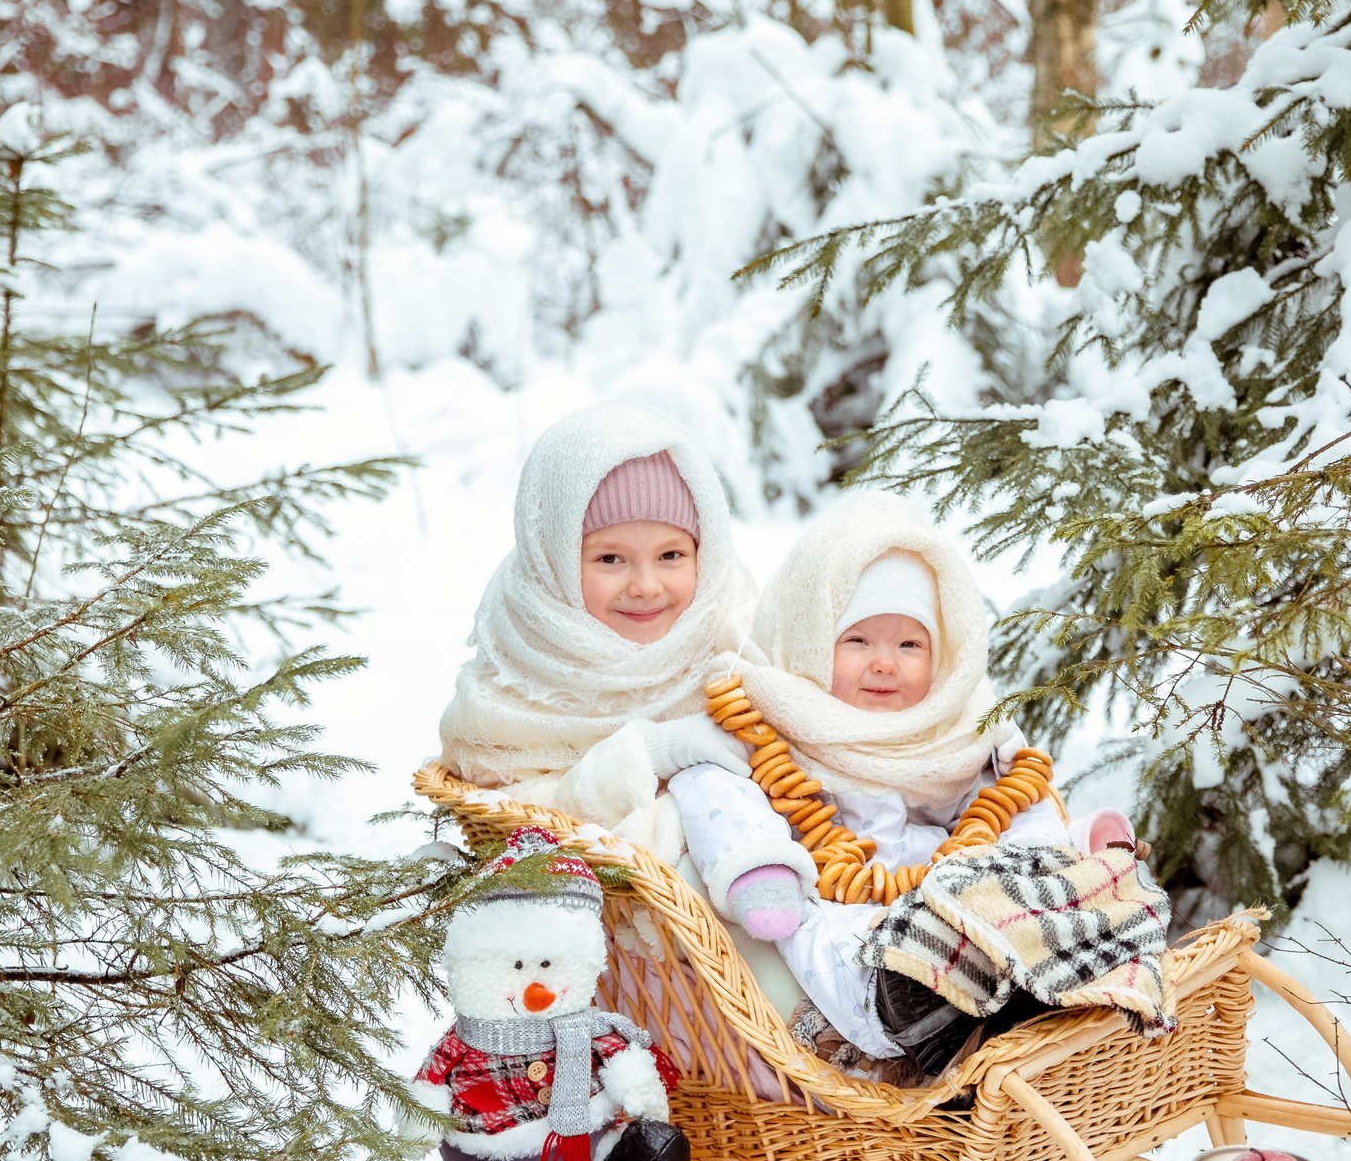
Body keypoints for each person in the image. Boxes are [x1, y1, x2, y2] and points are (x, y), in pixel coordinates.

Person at [671, 493, 1139, 1075]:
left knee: (1014, 896)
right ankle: (924, 1015)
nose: (886, 663)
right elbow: (710, 785)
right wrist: (761, 866)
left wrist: (1037, 856)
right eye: (858, 641)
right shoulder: (770, 715)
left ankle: (1077, 915)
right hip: (836, 894)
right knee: (843, 951)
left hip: (954, 888)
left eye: (909, 644)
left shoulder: (959, 725)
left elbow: (1011, 799)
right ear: (812, 642)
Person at [434, 404, 755, 859]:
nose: (646, 586)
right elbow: (518, 822)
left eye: (672, 555)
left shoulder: (736, 637)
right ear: (555, 564)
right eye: (610, 559)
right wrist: (648, 755)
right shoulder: (519, 679)